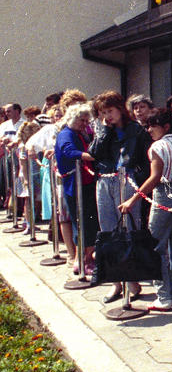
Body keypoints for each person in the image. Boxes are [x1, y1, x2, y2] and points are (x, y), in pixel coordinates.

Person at [89, 90, 152, 303]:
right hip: (105, 180)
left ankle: (131, 280)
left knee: (128, 231)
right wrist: (104, 132)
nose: (107, 115)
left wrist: (138, 181)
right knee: (107, 231)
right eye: (103, 112)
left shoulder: (136, 130)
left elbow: (145, 159)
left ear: (120, 109)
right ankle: (116, 283)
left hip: (128, 180)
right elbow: (95, 153)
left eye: (110, 111)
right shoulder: (103, 130)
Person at [124, 108, 172, 311]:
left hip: (163, 193)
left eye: (153, 125)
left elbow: (155, 177)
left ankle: (163, 295)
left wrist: (133, 199)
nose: (149, 129)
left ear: (166, 126)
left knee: (156, 245)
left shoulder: (157, 146)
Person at [55, 102, 99, 277]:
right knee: (82, 223)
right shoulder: (66, 134)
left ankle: (84, 259)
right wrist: (92, 157)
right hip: (76, 185)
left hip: (85, 182)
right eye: (82, 120)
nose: (85, 124)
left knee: (86, 223)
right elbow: (69, 151)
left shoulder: (76, 133)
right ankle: (83, 261)